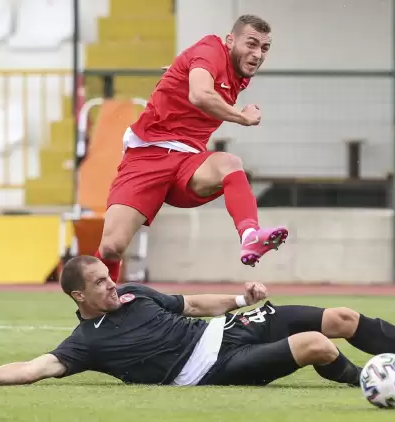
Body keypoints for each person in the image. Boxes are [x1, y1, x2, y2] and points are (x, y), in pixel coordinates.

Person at [0, 256, 395, 388]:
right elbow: (34, 367)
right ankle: (370, 383)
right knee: (317, 345)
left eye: (111, 277)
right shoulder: (85, 344)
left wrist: (239, 295)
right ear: (79, 295)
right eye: (101, 283)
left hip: (229, 330)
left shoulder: (133, 292)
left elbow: (192, 306)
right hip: (211, 368)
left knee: (341, 317)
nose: (113, 284)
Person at [96, 14, 285, 283]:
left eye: (264, 48)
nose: (257, 54)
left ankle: (250, 237)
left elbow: (194, 75)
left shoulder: (239, 74)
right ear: (230, 40)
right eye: (251, 44)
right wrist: (242, 116)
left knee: (229, 163)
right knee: (111, 248)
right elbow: (199, 94)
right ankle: (102, 310)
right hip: (148, 155)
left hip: (187, 162)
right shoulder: (210, 49)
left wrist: (178, 70)